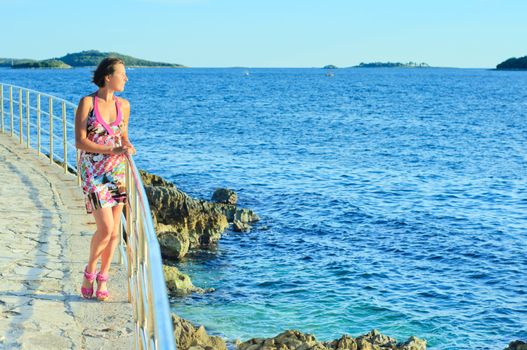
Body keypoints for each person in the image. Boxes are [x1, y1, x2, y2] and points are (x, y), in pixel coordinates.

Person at [74, 57, 136, 301]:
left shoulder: (125, 105)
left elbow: (123, 137)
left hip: (117, 172)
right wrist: (112, 150)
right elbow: (80, 141)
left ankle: (103, 278)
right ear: (108, 77)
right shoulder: (88, 103)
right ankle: (90, 270)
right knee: (106, 228)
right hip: (92, 172)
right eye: (122, 74)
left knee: (113, 233)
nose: (126, 78)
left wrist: (127, 147)